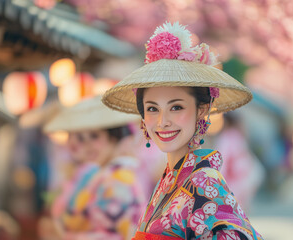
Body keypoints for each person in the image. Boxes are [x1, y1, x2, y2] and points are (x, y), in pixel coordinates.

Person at [103, 22, 263, 239]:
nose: (162, 121)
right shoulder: (170, 179)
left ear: (201, 110)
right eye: (152, 109)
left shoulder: (204, 183)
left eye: (176, 107)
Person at [43, 96, 146, 240]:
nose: (87, 145)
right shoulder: (106, 174)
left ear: (113, 137)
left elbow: (116, 235)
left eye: (95, 136)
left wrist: (65, 235)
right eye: (82, 138)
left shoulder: (119, 179)